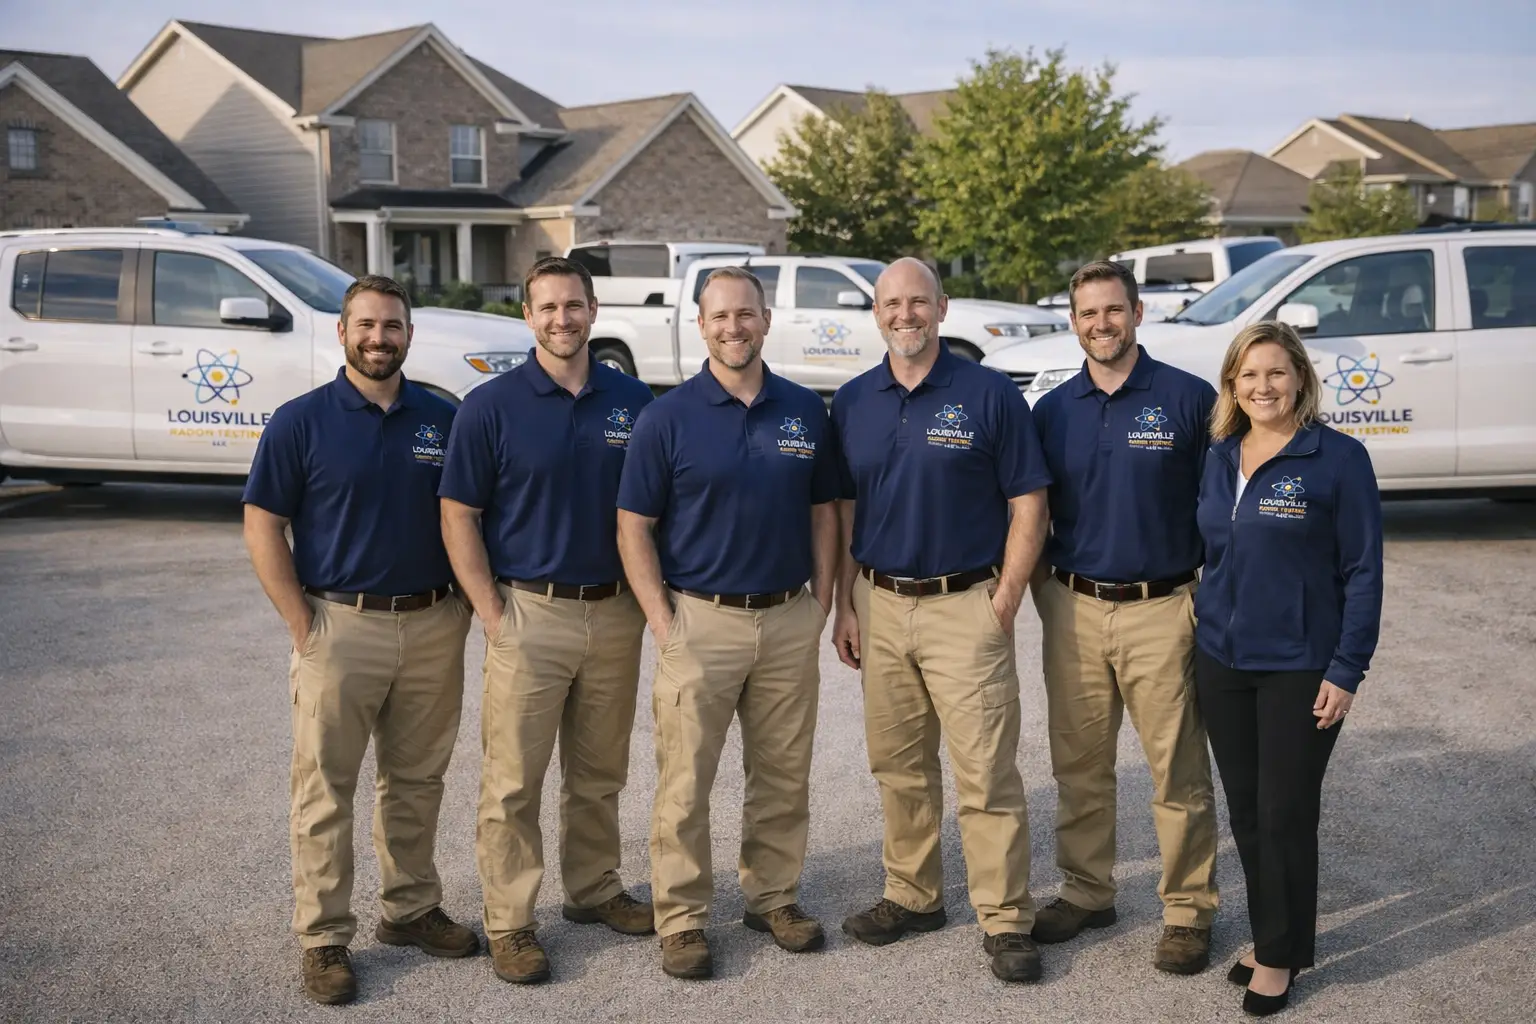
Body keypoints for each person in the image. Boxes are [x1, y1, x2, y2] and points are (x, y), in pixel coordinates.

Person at [242, 274, 477, 1006]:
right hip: (338, 625)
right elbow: (262, 524)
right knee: (325, 790)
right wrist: (300, 622)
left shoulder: (443, 417)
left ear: (410, 334)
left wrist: (467, 608)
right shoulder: (300, 421)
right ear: (343, 333)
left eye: (393, 326)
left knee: (416, 781)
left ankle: (408, 911)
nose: (380, 339)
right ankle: (324, 937)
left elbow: (472, 514)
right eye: (366, 326)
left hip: (434, 624)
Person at [830, 257, 1052, 983]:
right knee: (898, 766)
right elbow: (843, 509)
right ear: (877, 314)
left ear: (942, 308)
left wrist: (1006, 598)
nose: (905, 315)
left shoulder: (990, 396)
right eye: (891, 303)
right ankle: (913, 895)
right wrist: (845, 604)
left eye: (917, 302)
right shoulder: (855, 400)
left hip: (967, 603)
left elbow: (1029, 502)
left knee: (985, 771)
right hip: (880, 601)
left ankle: (1006, 917)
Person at [438, 256, 657, 985]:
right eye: (547, 308)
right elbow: (458, 514)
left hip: (615, 612)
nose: (561, 319)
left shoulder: (633, 401)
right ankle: (511, 920)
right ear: (527, 317)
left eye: (573, 306)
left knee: (600, 772)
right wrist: (492, 613)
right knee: (513, 780)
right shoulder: (490, 406)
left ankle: (594, 890)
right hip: (529, 610)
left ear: (593, 311)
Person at [616, 266, 839, 980]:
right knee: (685, 779)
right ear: (700, 324)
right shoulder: (666, 417)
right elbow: (633, 527)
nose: (733, 328)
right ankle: (680, 917)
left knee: (782, 773)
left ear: (765, 320)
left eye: (746, 315)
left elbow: (827, 512)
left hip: (786, 618)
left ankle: (772, 897)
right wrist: (663, 620)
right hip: (700, 620)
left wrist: (823, 604)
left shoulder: (805, 410)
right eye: (719, 317)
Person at [1027, 260, 1220, 973]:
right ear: (1072, 321)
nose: (1100, 325)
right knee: (1079, 765)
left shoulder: (1188, 399)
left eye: (1112, 311)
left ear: (1137, 313)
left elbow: (1222, 509)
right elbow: (1030, 508)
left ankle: (1188, 910)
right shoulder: (1053, 410)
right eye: (1086, 314)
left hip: (1163, 607)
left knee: (1177, 769)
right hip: (1073, 607)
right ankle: (1087, 890)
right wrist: (1045, 587)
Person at [1193, 320, 1383, 1017]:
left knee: (1285, 811)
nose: (1262, 386)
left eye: (1275, 373)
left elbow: (1363, 571)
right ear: (1232, 386)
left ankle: (1279, 956)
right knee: (1246, 811)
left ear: (1300, 378)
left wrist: (1347, 667)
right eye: (1248, 375)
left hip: (1301, 665)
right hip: (1221, 660)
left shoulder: (1337, 459)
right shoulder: (1218, 456)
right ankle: (1276, 936)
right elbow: (1206, 550)